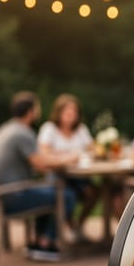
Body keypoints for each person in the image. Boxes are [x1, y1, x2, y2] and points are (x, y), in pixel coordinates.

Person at [0, 91, 77, 261]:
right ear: (30, 111)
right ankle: (46, 244)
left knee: (50, 190)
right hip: (12, 196)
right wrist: (69, 159)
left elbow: (37, 162)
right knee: (66, 195)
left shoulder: (5, 129)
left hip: (0, 194)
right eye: (37, 108)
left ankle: (38, 241)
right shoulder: (23, 133)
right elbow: (41, 165)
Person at [37, 93, 98, 237]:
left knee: (94, 191)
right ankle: (68, 227)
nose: (72, 115)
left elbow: (93, 149)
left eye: (75, 112)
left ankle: (78, 225)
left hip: (79, 175)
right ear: (59, 112)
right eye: (68, 111)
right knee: (67, 193)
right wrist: (68, 155)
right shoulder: (49, 128)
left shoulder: (81, 129)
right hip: (58, 174)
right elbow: (44, 154)